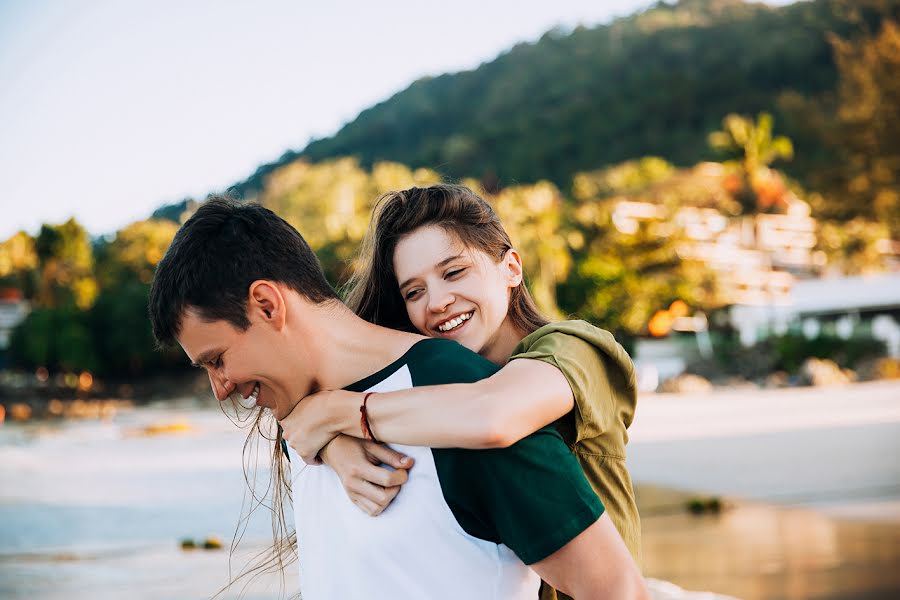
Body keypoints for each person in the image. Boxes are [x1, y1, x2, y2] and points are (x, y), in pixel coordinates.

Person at [148, 196, 648, 600]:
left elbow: (492, 415)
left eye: (217, 360)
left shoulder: (551, 358)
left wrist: (344, 414)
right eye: (413, 292)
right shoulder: (318, 417)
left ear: (510, 267)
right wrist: (327, 439)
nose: (437, 302)